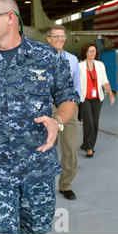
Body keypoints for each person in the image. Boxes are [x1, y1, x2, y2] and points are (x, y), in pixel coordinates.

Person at [0, 0, 79, 234]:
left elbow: (68, 98)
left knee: (37, 231)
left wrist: (58, 120)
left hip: (38, 166)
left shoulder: (48, 57)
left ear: (10, 18)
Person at [46, 25, 81, 200]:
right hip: (47, 108)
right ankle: (45, 184)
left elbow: (77, 84)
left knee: (70, 148)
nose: (60, 39)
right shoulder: (40, 60)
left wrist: (76, 104)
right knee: (45, 147)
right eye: (56, 36)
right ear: (48, 39)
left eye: (62, 36)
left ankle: (65, 184)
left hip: (69, 107)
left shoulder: (73, 60)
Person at [79, 43, 115, 158]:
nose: (92, 53)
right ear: (85, 52)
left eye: (94, 51)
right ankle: (89, 148)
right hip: (85, 98)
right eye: (90, 51)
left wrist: (110, 93)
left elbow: (105, 80)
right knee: (88, 121)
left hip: (98, 98)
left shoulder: (100, 65)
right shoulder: (80, 66)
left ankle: (87, 143)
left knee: (94, 122)